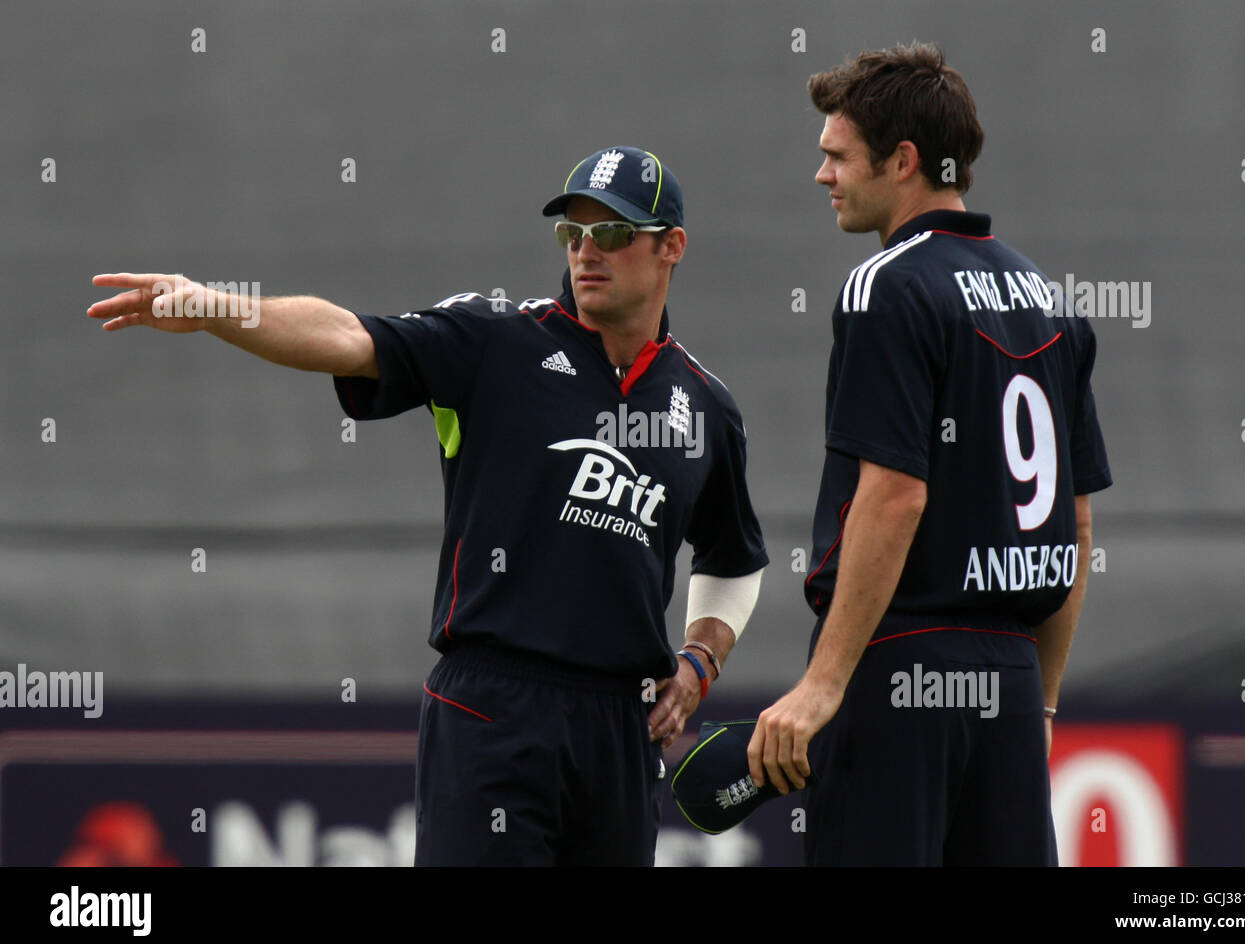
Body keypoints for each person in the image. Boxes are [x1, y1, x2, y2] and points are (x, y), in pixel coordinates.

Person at [88, 145, 768, 866]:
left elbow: (734, 556)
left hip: (619, 727)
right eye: (573, 232)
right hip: (494, 707)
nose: (586, 252)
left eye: (612, 233)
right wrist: (217, 309)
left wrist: (698, 661)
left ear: (672, 248)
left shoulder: (703, 405)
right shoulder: (495, 340)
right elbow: (350, 337)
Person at [747, 44, 1111, 865]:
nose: (822, 176)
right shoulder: (1049, 300)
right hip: (1010, 678)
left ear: (902, 160)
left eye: (837, 156)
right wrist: (1042, 704)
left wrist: (825, 683)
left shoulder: (887, 286)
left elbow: (894, 497)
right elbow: (1076, 524)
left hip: (901, 668)